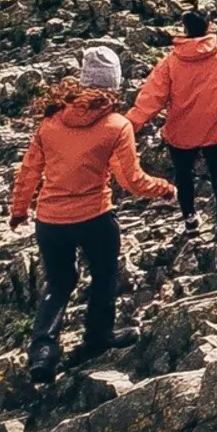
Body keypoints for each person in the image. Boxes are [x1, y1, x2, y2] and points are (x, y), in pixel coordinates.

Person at [10, 46, 175, 384]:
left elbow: (29, 170)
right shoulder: (117, 125)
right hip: (95, 218)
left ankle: (42, 352)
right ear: (114, 84)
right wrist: (164, 188)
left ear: (83, 81)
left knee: (59, 283)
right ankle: (97, 337)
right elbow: (131, 180)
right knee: (103, 276)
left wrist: (19, 209)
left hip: (50, 221)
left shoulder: (52, 120)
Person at [128, 9, 217, 281]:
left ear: (184, 30)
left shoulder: (170, 63)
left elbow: (150, 100)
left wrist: (126, 127)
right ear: (210, 26)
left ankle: (190, 218)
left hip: (181, 132)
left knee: (184, 176)